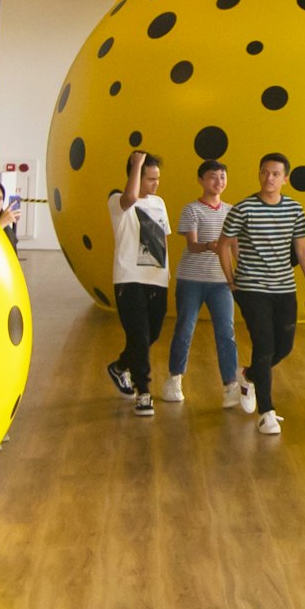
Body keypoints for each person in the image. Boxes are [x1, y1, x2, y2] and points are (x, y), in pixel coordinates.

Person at [223, 150, 305, 436]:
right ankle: (267, 412)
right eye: (264, 172)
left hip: (284, 288)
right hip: (252, 289)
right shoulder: (243, 208)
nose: (269, 178)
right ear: (259, 174)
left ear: (285, 179)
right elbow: (223, 244)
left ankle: (248, 375)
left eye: (276, 173)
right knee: (263, 346)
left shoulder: (294, 209)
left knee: (283, 347)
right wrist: (232, 282)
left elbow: (302, 248)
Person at [168, 157, 244, 408]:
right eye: (213, 176)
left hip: (221, 282)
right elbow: (192, 244)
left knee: (226, 332)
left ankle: (230, 385)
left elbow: (235, 246)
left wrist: (239, 275)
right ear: (201, 180)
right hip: (191, 279)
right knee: (185, 329)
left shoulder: (231, 211)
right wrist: (211, 246)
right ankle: (175, 378)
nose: (218, 181)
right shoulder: (192, 209)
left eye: (222, 176)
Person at [104, 150, 173, 414]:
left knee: (151, 334)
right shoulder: (117, 200)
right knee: (139, 335)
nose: (155, 183)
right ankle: (143, 391)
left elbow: (162, 238)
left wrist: (166, 272)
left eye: (157, 178)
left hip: (156, 280)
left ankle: (120, 366)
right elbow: (130, 196)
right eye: (150, 178)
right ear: (136, 176)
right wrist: (137, 163)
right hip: (129, 278)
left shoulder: (159, 203)